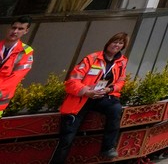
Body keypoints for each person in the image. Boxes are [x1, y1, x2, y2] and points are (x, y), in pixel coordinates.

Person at [50, 33, 128, 164]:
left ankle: (108, 147)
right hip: (82, 98)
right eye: (115, 42)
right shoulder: (91, 58)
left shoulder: (122, 62)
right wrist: (87, 91)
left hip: (101, 96)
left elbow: (121, 82)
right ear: (108, 43)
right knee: (67, 138)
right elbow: (71, 82)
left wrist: (110, 89)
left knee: (115, 108)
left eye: (120, 43)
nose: (117, 45)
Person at [0, 18, 34, 121]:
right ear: (9, 28)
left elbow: (16, 77)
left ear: (26, 31)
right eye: (14, 28)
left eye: (20, 29)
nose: (15, 31)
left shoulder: (26, 51)